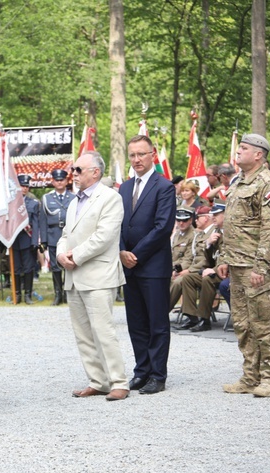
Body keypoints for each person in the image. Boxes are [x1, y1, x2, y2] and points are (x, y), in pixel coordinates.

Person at [57, 151, 128, 401]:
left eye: (78, 169)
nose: (73, 174)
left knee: (103, 331)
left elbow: (104, 236)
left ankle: (119, 381)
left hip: (98, 275)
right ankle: (98, 380)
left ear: (95, 172)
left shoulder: (110, 198)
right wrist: (60, 254)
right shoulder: (75, 201)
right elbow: (66, 233)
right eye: (73, 170)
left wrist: (73, 256)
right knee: (83, 333)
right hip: (74, 275)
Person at [217, 134, 270, 397]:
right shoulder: (238, 182)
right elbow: (230, 225)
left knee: (264, 324)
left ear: (258, 154)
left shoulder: (268, 183)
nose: (238, 151)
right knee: (243, 325)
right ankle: (250, 376)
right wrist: (223, 258)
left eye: (244, 148)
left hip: (257, 268)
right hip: (236, 264)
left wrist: (260, 267)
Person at [119, 134, 176, 395]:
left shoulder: (164, 187)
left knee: (157, 323)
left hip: (152, 266)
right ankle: (141, 371)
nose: (136, 159)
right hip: (128, 265)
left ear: (152, 154)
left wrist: (135, 254)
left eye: (141, 154)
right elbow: (118, 223)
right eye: (132, 155)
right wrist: (121, 251)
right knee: (136, 323)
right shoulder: (124, 188)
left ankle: (157, 375)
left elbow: (162, 227)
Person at [178, 203, 225, 332]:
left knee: (207, 279)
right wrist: (208, 244)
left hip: (228, 273)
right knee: (189, 278)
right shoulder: (216, 232)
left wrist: (213, 270)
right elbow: (210, 259)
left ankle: (204, 320)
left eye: (217, 214)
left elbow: (229, 257)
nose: (213, 217)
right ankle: (192, 316)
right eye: (212, 214)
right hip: (216, 271)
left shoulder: (230, 232)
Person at [170, 206, 215, 316]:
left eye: (184, 220)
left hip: (191, 269)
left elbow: (190, 258)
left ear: (190, 220)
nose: (181, 223)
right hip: (179, 269)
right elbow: (171, 255)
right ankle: (151, 311)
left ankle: (160, 313)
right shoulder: (176, 235)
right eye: (178, 220)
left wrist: (183, 270)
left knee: (179, 282)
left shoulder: (195, 235)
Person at [40, 168, 75, 305]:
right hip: (53, 235)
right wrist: (43, 240)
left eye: (62, 180)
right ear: (53, 182)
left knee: (68, 265)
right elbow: (42, 220)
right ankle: (57, 295)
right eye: (57, 180)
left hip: (69, 236)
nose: (60, 182)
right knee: (55, 267)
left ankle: (67, 294)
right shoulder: (46, 198)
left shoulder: (73, 197)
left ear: (67, 181)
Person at [11, 175, 44, 304]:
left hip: (28, 240)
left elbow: (35, 225)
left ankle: (28, 295)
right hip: (14, 240)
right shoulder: (11, 203)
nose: (24, 188)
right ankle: (17, 294)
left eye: (26, 186)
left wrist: (35, 241)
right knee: (16, 268)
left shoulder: (33, 204)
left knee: (29, 268)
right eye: (22, 186)